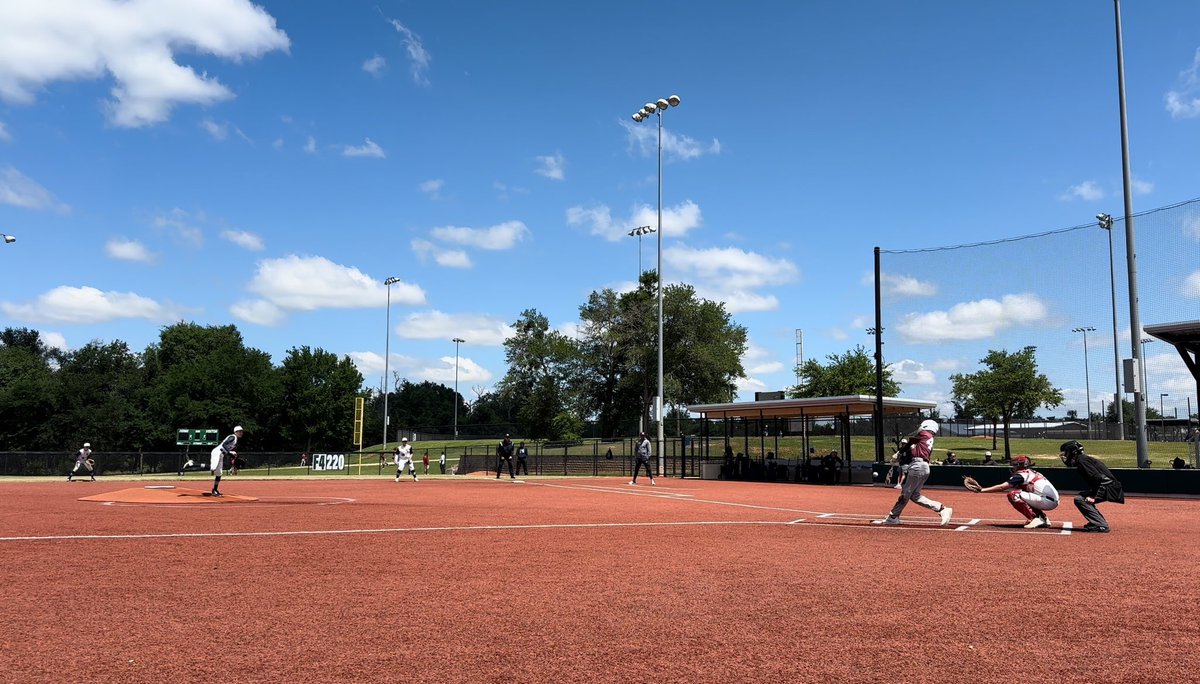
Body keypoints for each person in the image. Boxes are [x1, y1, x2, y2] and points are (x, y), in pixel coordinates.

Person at [877, 419, 953, 526]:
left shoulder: (924, 434)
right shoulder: (928, 438)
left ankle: (893, 517)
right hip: (922, 466)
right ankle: (941, 508)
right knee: (914, 496)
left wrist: (899, 452)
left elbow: (911, 441)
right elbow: (912, 447)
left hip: (918, 466)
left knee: (905, 494)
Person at [969, 455, 1059, 528]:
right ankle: (1043, 517)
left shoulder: (1021, 475)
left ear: (1020, 465)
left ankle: (1034, 518)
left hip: (1047, 500)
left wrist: (982, 490)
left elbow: (1001, 487)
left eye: (1015, 465)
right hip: (1051, 500)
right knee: (1024, 493)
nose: (1013, 467)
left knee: (1013, 495)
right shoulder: (1032, 473)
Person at [1059, 440, 1124, 533]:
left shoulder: (1082, 461)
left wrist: (1095, 497)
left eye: (1066, 452)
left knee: (1080, 499)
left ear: (1072, 452)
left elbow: (1101, 479)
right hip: (1109, 486)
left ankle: (1101, 525)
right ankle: (1097, 522)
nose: (1065, 455)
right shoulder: (1082, 459)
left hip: (1108, 487)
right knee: (1083, 496)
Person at [209, 426, 242, 497]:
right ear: (235, 432)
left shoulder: (235, 440)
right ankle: (193, 464)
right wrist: (230, 452)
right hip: (217, 452)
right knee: (213, 468)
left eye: (241, 431)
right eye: (239, 431)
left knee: (219, 473)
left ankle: (214, 490)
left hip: (221, 454)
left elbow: (226, 449)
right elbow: (224, 445)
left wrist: (232, 455)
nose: (241, 433)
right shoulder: (233, 437)